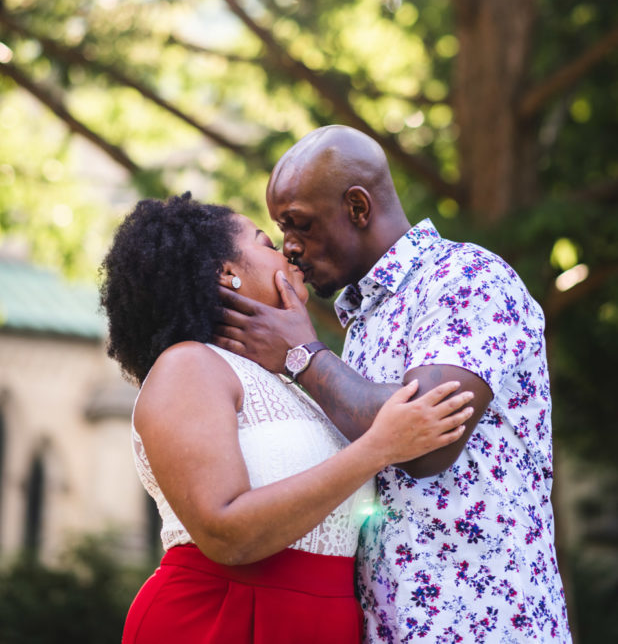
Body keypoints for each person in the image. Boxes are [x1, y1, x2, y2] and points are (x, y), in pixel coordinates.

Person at [217, 125, 572, 643]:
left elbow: (428, 442)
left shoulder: (467, 278)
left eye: (300, 226)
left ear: (358, 208)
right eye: (279, 231)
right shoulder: (361, 321)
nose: (289, 249)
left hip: (484, 624)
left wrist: (302, 354)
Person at [99, 192, 475, 644]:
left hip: (325, 621)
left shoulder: (292, 379)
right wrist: (377, 449)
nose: (288, 252)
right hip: (221, 617)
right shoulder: (189, 365)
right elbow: (225, 533)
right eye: (265, 242)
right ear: (227, 273)